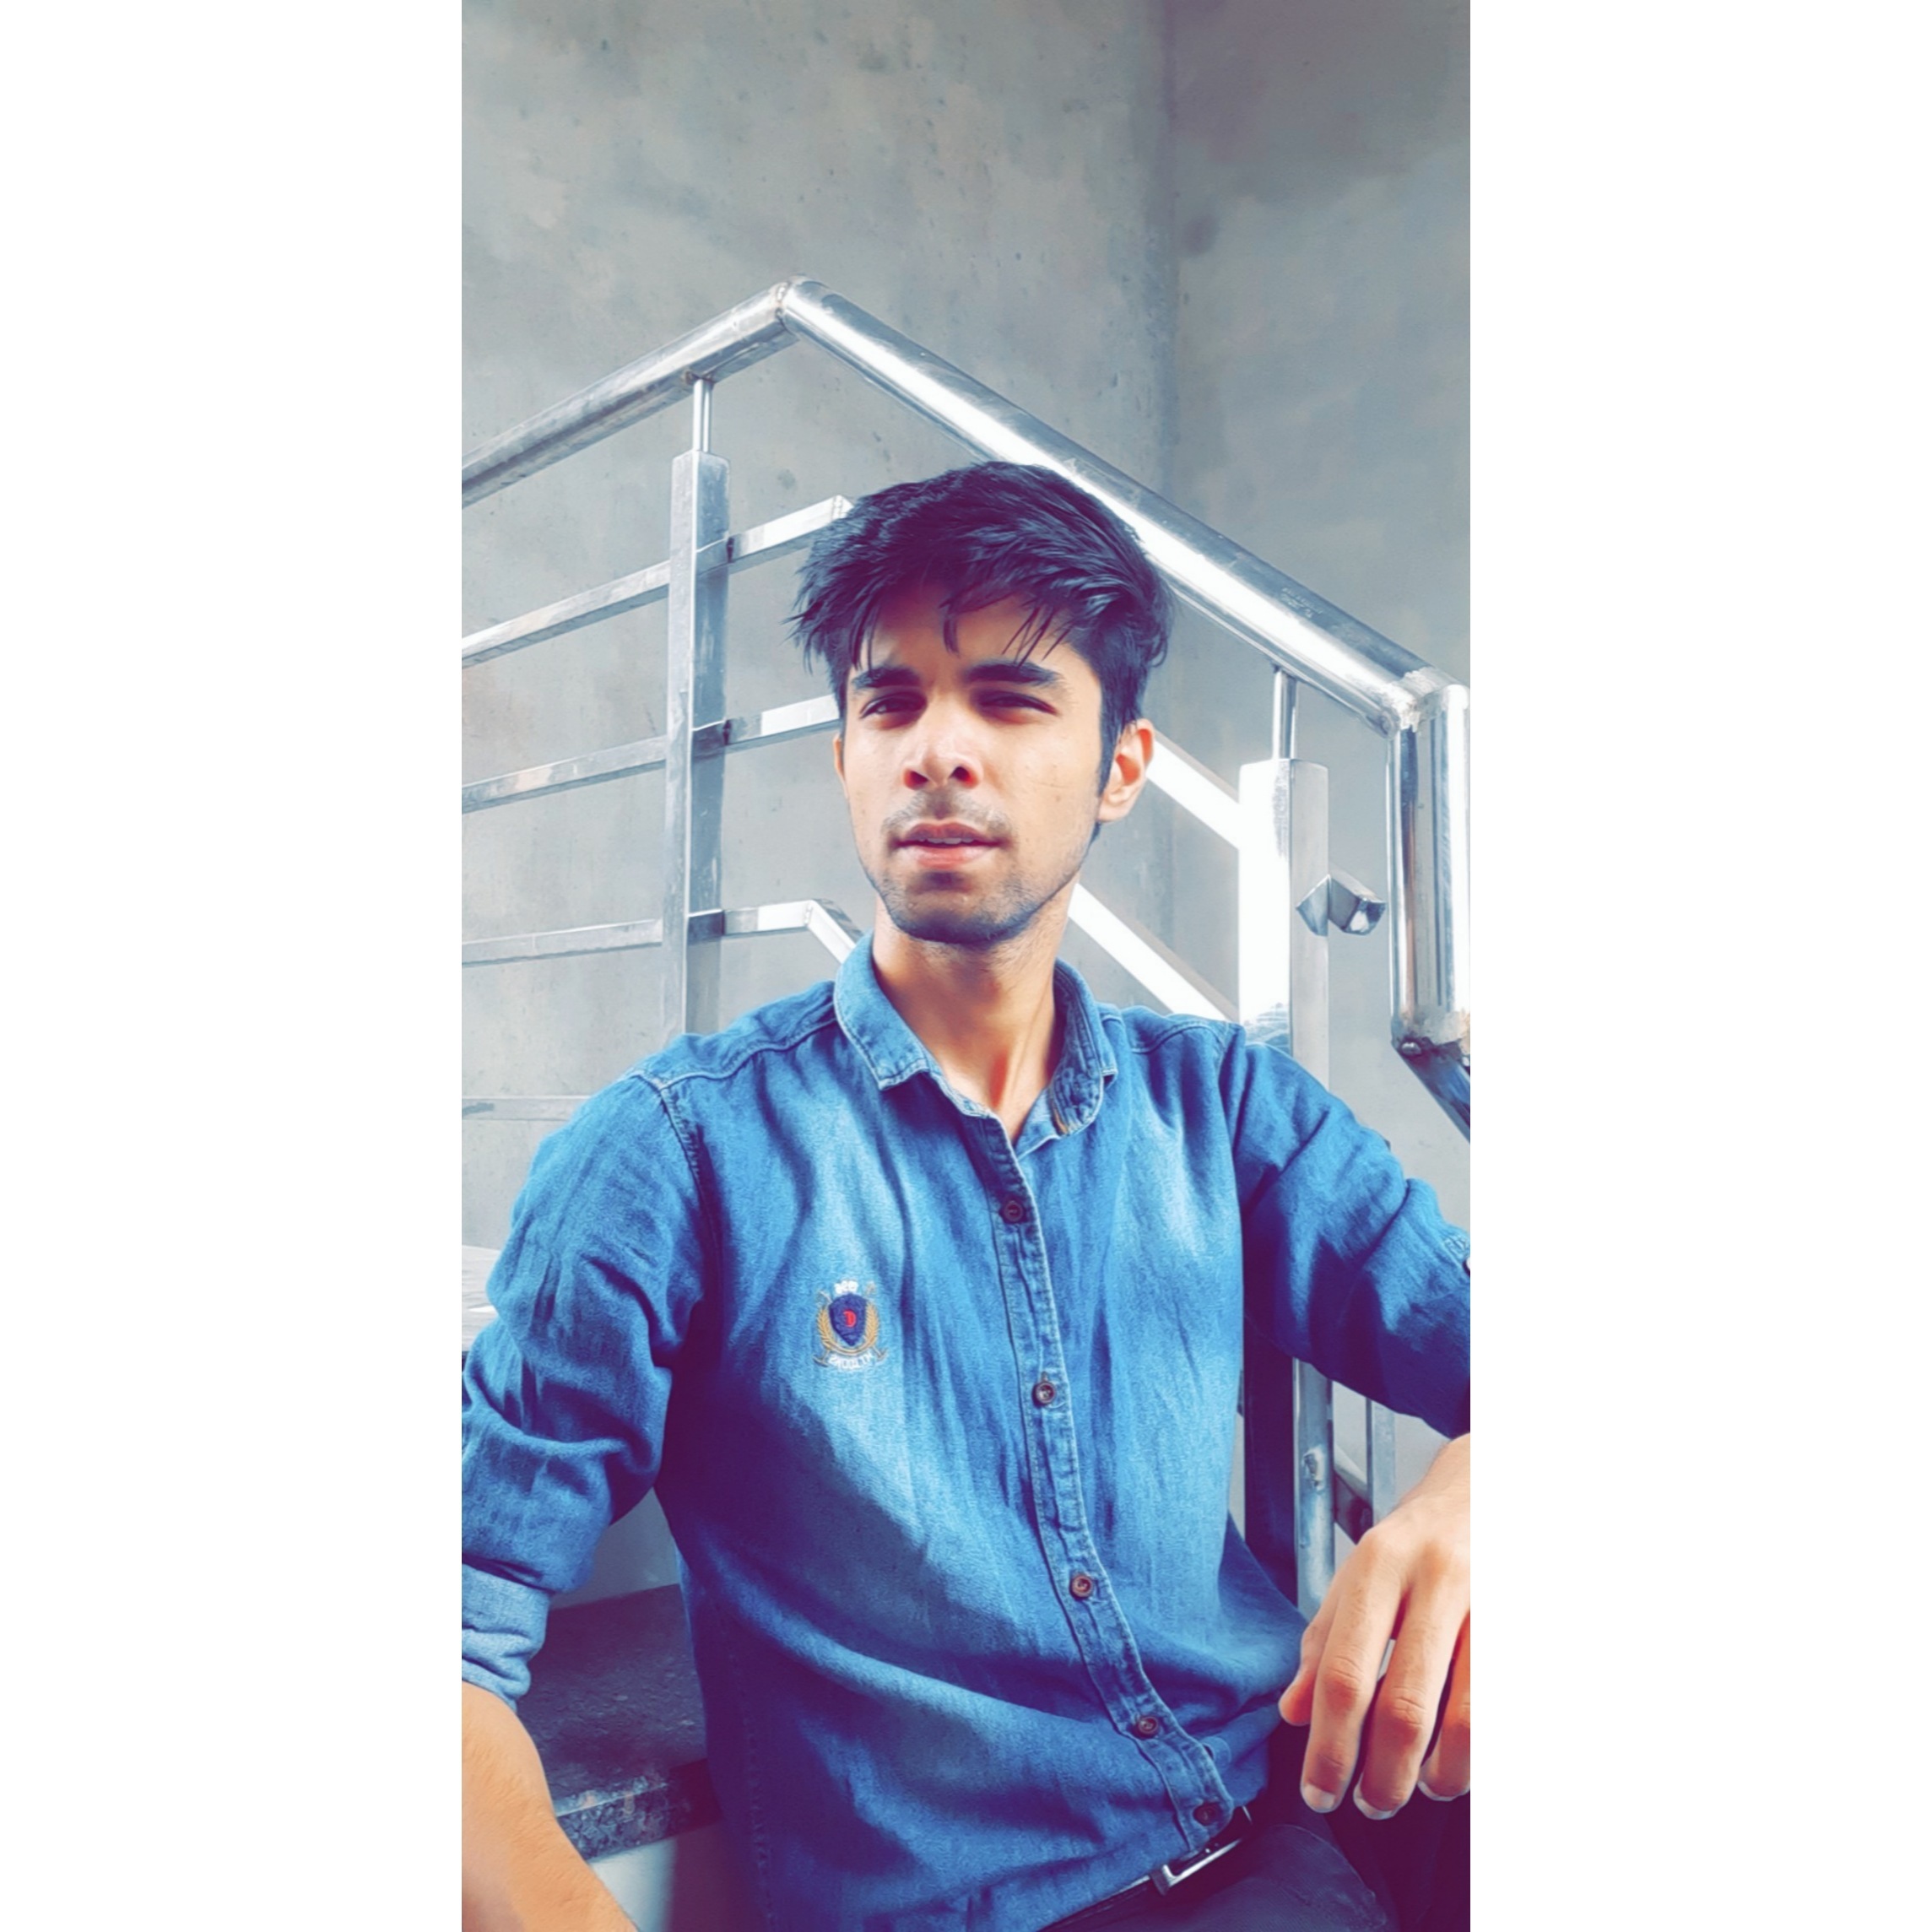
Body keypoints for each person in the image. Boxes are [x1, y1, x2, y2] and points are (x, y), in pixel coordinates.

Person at [462, 463, 1471, 1932]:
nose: (938, 749)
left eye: (1008, 699)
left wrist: (1473, 1491)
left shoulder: (1227, 1108)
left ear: (1121, 766)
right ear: (846, 760)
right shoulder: (672, 1156)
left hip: (1297, 1825)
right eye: (891, 704)